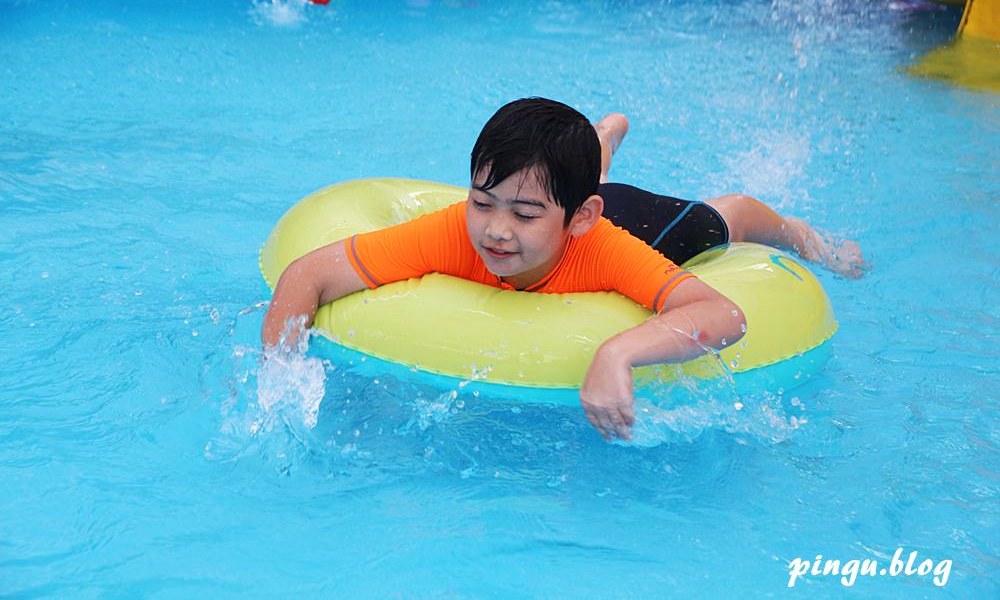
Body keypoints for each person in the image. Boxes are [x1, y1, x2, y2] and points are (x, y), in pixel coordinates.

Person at [263, 98, 862, 441]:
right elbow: (306, 276)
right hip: (574, 201)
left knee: (719, 220)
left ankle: (799, 232)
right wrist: (276, 385)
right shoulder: (454, 230)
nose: (495, 231)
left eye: (521, 215)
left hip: (636, 220)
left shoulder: (607, 247)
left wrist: (616, 353)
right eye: (481, 202)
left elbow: (725, 314)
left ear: (578, 218)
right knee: (557, 182)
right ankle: (596, 146)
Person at [592, 113, 867, 278]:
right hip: (593, 202)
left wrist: (816, 249)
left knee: (738, 214)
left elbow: (742, 209)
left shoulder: (640, 239)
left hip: (643, 221)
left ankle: (819, 247)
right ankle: (601, 138)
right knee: (594, 179)